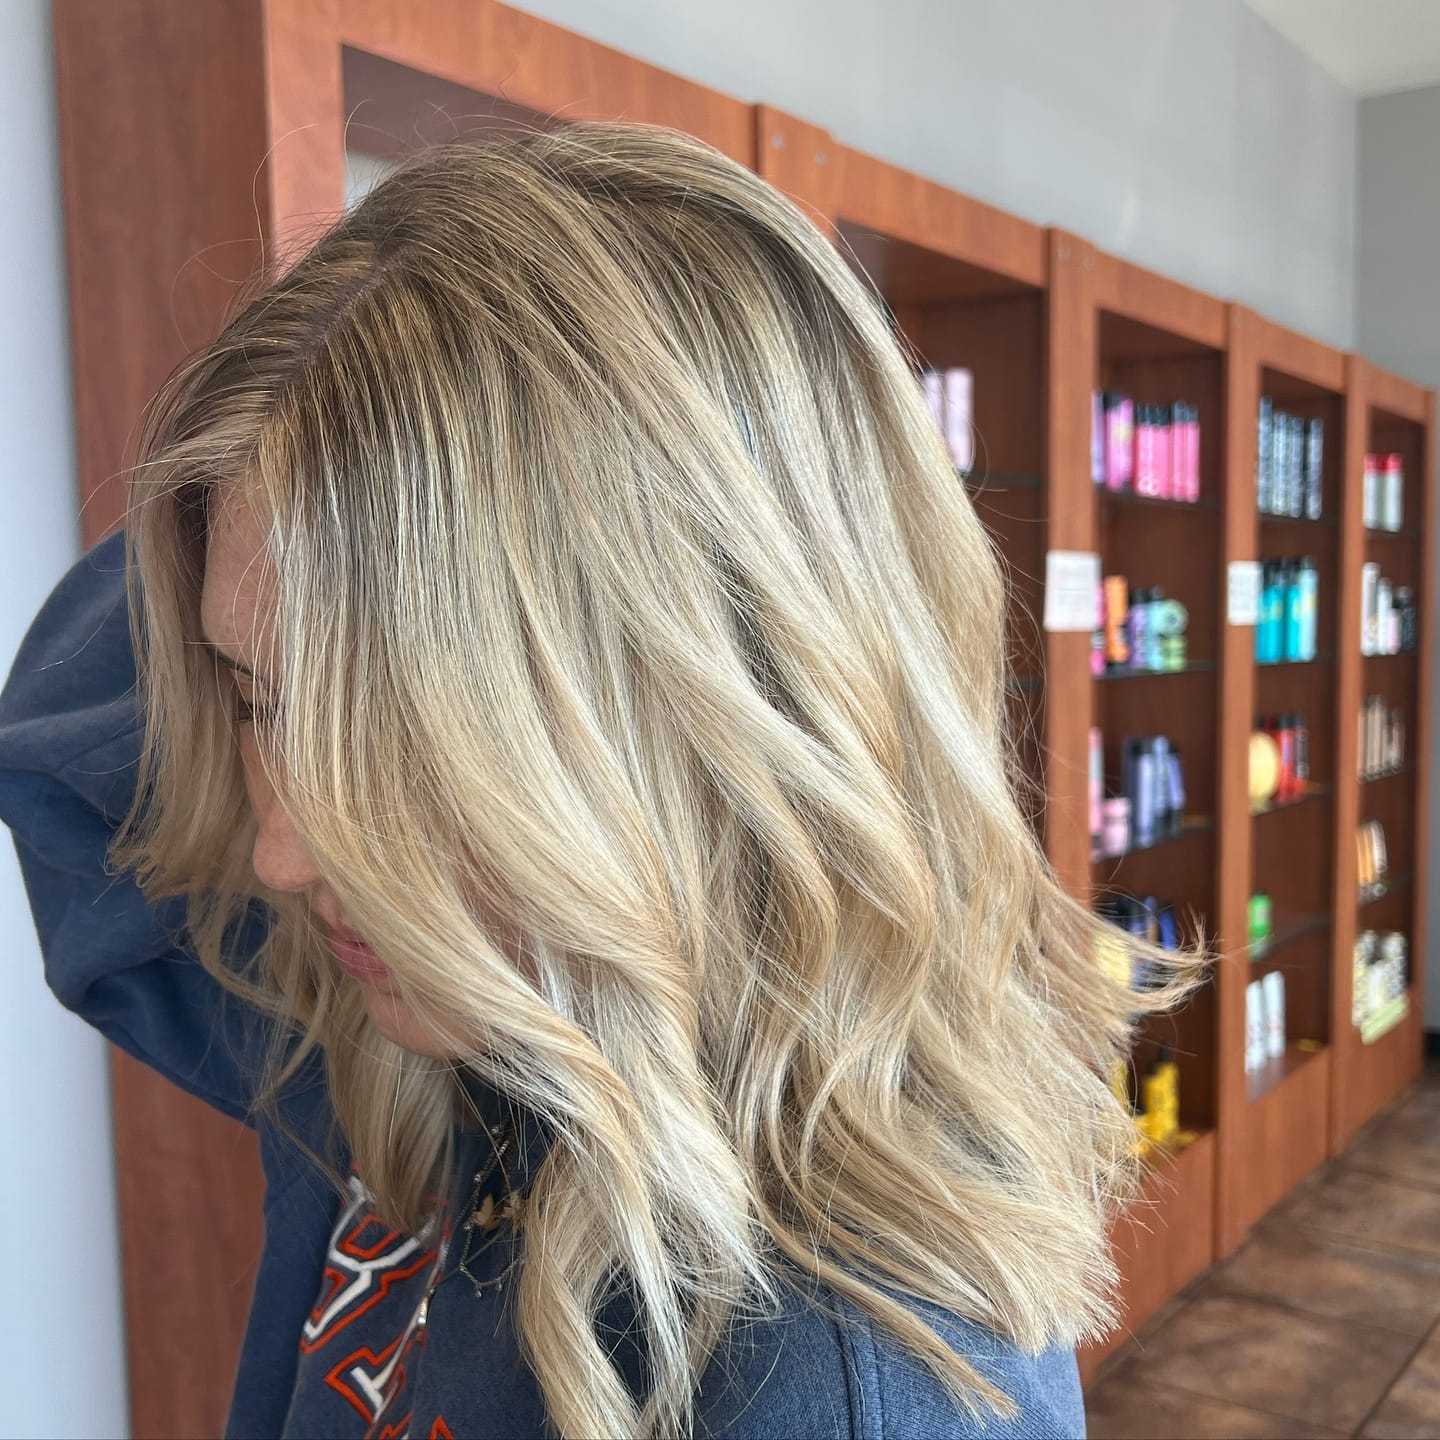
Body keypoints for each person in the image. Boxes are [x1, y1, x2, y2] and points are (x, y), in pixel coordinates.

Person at [0, 122, 1199, 1439]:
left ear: (713, 726)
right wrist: (368, 396)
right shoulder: (429, 1025)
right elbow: (64, 737)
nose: (282, 852)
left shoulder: (835, 1389)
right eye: (259, 704)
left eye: (409, 743)